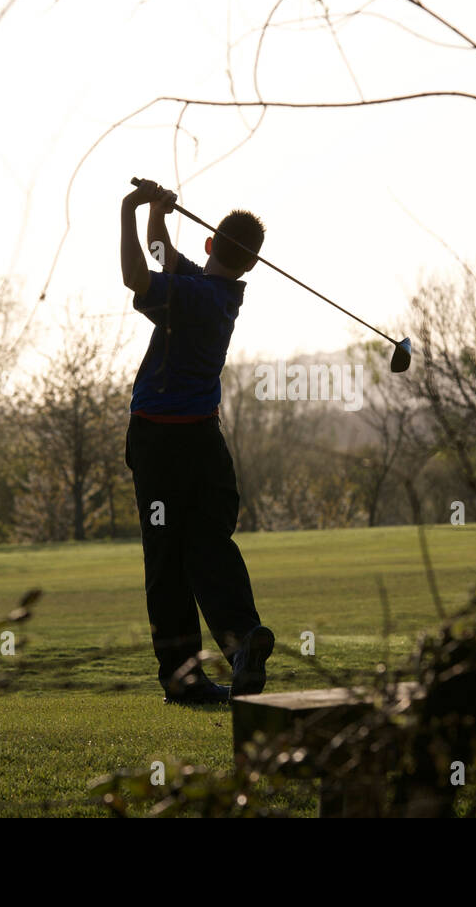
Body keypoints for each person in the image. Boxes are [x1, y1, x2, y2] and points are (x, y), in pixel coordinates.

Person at [119, 177, 275, 705]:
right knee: (209, 544)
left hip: (160, 446)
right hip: (205, 447)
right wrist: (157, 214)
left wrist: (127, 211)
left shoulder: (194, 297)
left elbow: (136, 276)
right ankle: (242, 639)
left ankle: (184, 678)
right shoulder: (219, 292)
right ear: (250, 264)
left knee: (166, 560)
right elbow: (162, 254)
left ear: (211, 244)